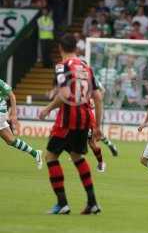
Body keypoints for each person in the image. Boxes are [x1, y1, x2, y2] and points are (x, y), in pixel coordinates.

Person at [39, 35, 103, 215]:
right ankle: (92, 203)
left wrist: (48, 108)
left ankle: (62, 203)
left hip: (67, 121)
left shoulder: (62, 66)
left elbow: (65, 93)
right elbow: (98, 98)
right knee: (76, 156)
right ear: (76, 48)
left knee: (51, 157)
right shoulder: (86, 67)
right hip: (84, 121)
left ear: (60, 48)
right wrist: (97, 126)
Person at [0, 79, 42, 168]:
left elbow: (12, 95)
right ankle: (35, 153)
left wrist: (14, 113)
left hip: (1, 112)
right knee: (10, 140)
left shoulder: (0, 82)